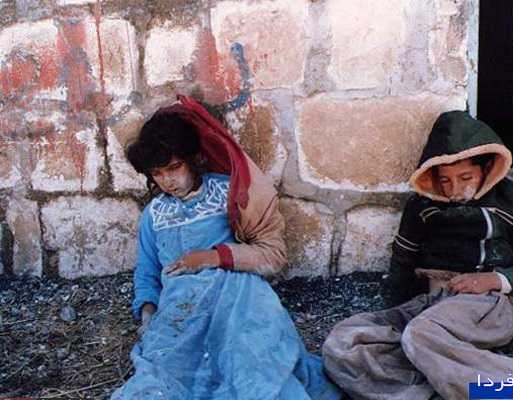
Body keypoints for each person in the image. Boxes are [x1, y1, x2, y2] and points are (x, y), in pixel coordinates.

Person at [111, 95, 341, 400]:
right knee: (169, 373)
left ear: (195, 158)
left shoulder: (230, 193)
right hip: (184, 302)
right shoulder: (154, 216)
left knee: (253, 359)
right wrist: (148, 314)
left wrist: (212, 257)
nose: (168, 181)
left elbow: (271, 255)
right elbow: (147, 272)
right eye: (158, 173)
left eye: (175, 167)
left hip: (239, 294)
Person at [321, 111, 513, 400]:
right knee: (343, 341)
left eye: (466, 177)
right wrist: (396, 312)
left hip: (483, 303)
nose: (454, 190)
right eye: (445, 180)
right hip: (430, 303)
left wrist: (491, 280)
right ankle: (431, 389)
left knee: (421, 335)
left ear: (487, 167)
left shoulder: (510, 199)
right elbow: (403, 262)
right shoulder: (422, 206)